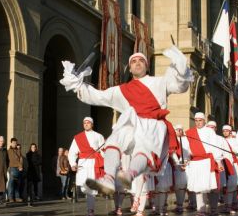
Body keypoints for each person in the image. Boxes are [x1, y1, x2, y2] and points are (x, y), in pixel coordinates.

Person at [59, 47, 193, 196]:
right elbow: (97, 96)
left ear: (147, 66)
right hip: (131, 122)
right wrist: (77, 84)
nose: (137, 63)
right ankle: (108, 180)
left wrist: (181, 68)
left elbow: (181, 86)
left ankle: (129, 175)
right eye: (134, 61)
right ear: (129, 68)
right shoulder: (120, 90)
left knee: (144, 150)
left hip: (152, 124)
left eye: (141, 60)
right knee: (112, 142)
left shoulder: (160, 82)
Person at [183, 112, 225, 216]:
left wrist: (219, 162)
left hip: (206, 162)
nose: (198, 122)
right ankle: (200, 214)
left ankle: (204, 212)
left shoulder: (209, 131)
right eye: (196, 120)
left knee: (204, 188)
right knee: (197, 189)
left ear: (204, 121)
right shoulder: (189, 132)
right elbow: (186, 149)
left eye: (200, 120)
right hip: (195, 162)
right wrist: (186, 160)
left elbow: (215, 148)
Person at [68, 117, 105, 216]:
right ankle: (90, 210)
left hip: (94, 164)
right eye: (84, 123)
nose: (86, 124)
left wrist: (104, 159)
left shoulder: (98, 136)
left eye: (88, 123)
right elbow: (72, 152)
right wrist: (72, 164)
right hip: (83, 164)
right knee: (84, 187)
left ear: (92, 124)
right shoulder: (78, 137)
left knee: (91, 188)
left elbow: (103, 151)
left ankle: (90, 212)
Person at [221, 124, 238, 214]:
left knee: (233, 185)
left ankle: (234, 204)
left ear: (230, 131)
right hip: (223, 164)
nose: (225, 132)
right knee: (226, 186)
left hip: (233, 164)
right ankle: (227, 205)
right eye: (224, 131)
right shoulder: (221, 140)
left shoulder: (235, 141)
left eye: (226, 130)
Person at [7, 138, 23, 202]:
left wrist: (21, 166)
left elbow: (21, 158)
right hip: (12, 168)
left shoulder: (18, 150)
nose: (15, 144)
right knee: (11, 183)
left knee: (17, 184)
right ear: (11, 143)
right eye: (13, 143)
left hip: (18, 168)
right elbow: (10, 160)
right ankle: (10, 198)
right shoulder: (9, 151)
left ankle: (17, 197)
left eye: (16, 143)